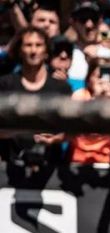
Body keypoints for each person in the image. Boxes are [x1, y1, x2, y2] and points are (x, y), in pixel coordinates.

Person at [0, 26, 71, 184]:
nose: (33, 50)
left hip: (52, 173)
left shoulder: (61, 88)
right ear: (20, 50)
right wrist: (17, 131)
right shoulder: (5, 84)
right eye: (28, 45)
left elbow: (71, 132)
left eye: (38, 45)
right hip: (9, 171)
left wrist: (54, 139)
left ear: (46, 51)